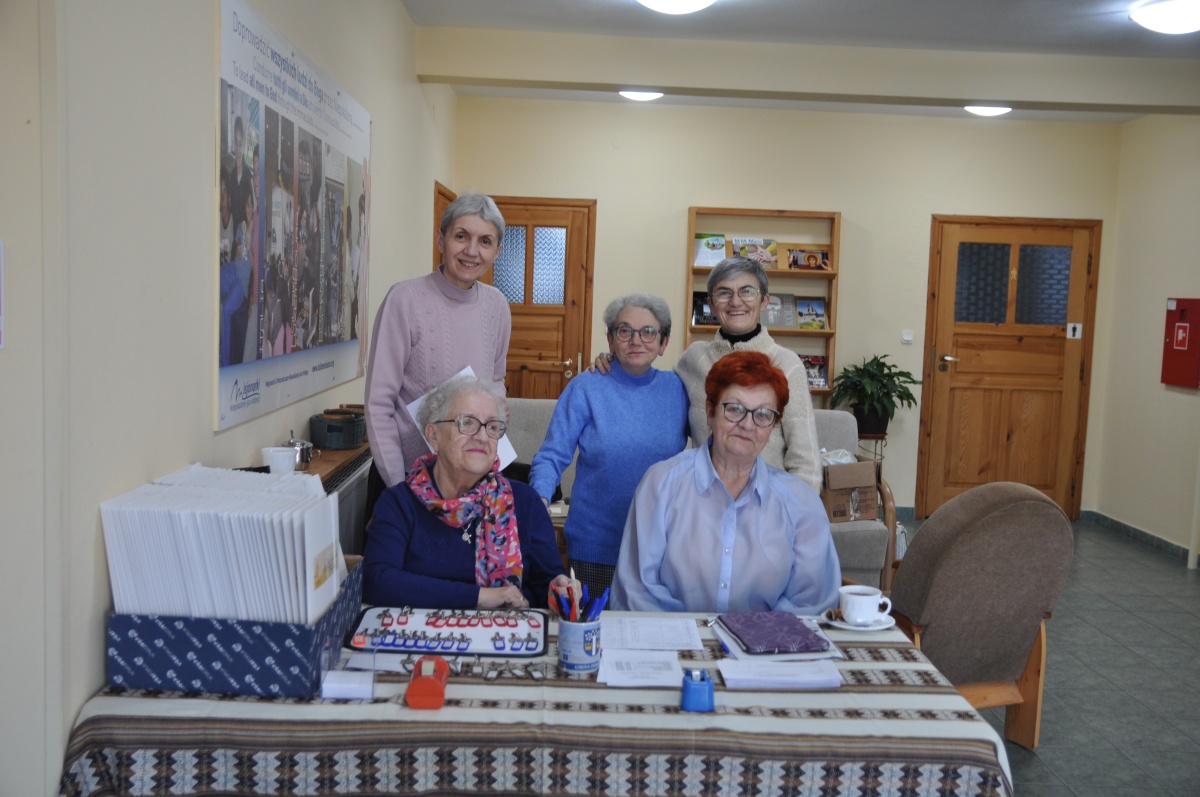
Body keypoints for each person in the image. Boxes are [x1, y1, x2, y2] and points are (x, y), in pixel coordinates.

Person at [611, 350, 840, 614]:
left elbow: (812, 603)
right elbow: (637, 592)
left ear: (774, 425)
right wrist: (691, 636)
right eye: (734, 409)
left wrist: (752, 634)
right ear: (710, 412)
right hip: (674, 638)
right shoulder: (661, 484)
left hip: (767, 641)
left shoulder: (801, 502)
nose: (747, 425)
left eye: (763, 414)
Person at [362, 376, 574, 610]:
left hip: (505, 632)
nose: (482, 437)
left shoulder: (526, 502)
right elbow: (376, 581)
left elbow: (547, 587)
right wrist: (480, 597)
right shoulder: (399, 503)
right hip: (418, 633)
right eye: (467, 423)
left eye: (492, 427)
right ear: (433, 435)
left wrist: (559, 589)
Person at [529, 294, 689, 596]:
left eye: (648, 332)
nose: (636, 340)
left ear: (663, 343)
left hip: (662, 548)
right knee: (590, 624)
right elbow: (551, 456)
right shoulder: (586, 387)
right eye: (624, 331)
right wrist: (538, 498)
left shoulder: (678, 390)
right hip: (594, 547)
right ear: (611, 340)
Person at [365, 193, 511, 490]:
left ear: (497, 251)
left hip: (472, 482)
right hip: (406, 478)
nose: (472, 251)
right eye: (461, 236)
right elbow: (379, 404)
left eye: (485, 241)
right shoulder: (404, 300)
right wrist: (399, 487)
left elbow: (496, 381)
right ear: (440, 240)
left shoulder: (497, 306)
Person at [675, 256, 822, 491]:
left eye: (747, 291)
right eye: (724, 293)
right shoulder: (693, 359)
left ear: (764, 301)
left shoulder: (787, 364)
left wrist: (793, 509)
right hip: (704, 499)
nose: (736, 302)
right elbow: (658, 402)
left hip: (768, 501)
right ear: (711, 303)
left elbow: (806, 464)